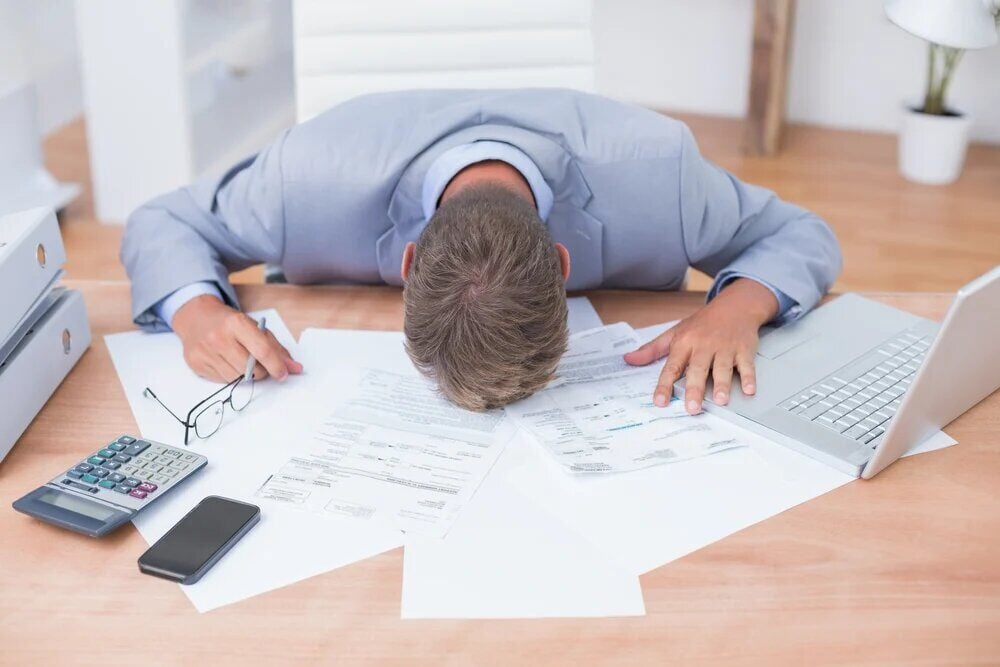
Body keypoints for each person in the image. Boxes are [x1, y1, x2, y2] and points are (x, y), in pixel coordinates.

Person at [121, 89, 841, 414]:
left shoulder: (661, 173)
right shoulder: (305, 178)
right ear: (407, 269)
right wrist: (195, 310)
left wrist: (740, 307)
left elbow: (803, 232)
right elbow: (161, 220)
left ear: (560, 265)